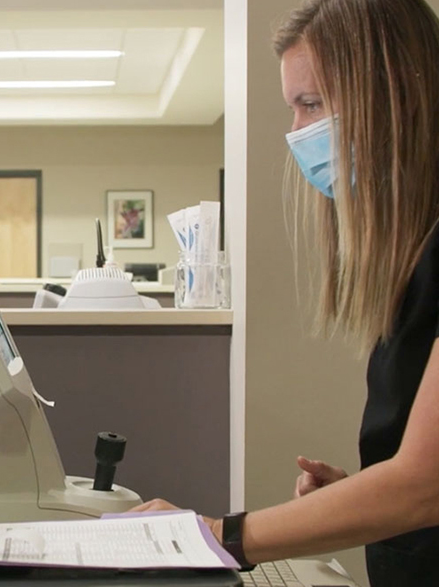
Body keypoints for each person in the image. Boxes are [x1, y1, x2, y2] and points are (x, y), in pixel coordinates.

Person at [132, 0, 439, 585]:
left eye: (313, 104)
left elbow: (424, 486)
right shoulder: (418, 257)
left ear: (394, 95)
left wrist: (214, 535)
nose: (297, 132)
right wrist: (357, 497)